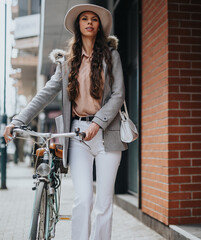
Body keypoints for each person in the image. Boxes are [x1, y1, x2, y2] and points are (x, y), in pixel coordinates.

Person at [3, 4, 127, 240]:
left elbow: (118, 95)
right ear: (78, 25)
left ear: (99, 26)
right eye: (84, 19)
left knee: (103, 202)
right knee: (83, 199)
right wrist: (17, 120)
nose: (89, 22)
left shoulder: (112, 57)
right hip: (78, 135)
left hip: (107, 134)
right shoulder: (67, 62)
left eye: (94, 19)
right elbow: (44, 94)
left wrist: (97, 123)